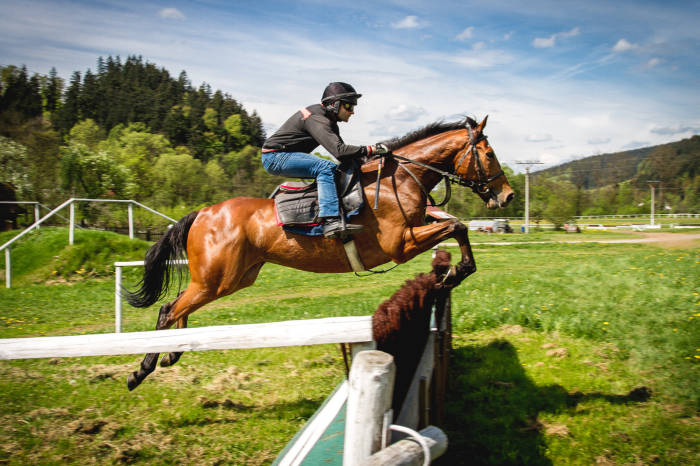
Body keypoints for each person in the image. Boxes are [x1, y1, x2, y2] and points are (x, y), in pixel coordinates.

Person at [262, 82, 387, 238]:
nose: (352, 112)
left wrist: (370, 157)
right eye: (349, 107)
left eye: (353, 107)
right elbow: (340, 151)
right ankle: (330, 221)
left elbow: (343, 156)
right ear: (334, 105)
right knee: (325, 167)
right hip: (274, 157)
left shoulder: (328, 121)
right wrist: (370, 149)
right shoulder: (318, 118)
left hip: (284, 155)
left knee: (336, 169)